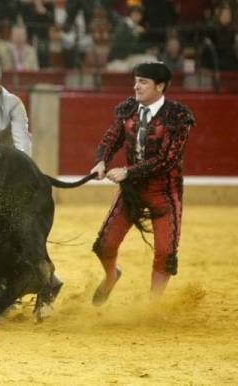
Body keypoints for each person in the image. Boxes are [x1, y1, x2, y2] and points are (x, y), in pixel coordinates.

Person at [89, 62, 195, 306]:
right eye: (136, 80)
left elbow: (168, 159)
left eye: (143, 82)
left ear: (161, 86)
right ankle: (110, 276)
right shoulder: (128, 109)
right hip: (132, 190)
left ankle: (152, 305)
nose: (136, 86)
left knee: (165, 253)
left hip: (165, 192)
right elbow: (111, 139)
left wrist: (128, 171)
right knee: (104, 244)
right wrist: (101, 162)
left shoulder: (178, 117)